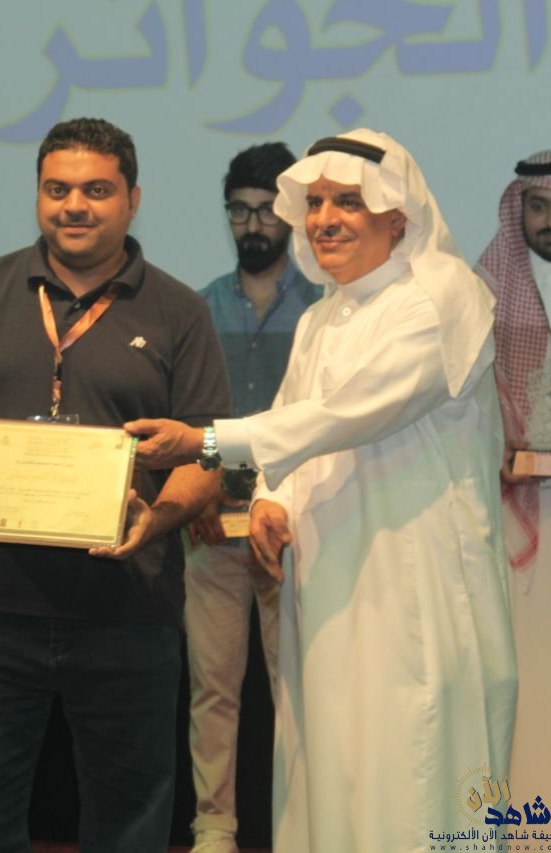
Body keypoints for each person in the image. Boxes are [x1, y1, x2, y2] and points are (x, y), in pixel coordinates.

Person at [127, 129, 517, 852]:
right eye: (314, 203)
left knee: (412, 770)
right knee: (327, 773)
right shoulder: (321, 317)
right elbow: (295, 433)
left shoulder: (439, 297)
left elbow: (341, 415)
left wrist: (204, 441)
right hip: (326, 592)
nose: (324, 220)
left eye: (347, 202)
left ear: (397, 215)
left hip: (414, 592)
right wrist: (271, 500)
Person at [0, 117, 229, 852]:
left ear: (133, 199)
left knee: (129, 826)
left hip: (128, 610)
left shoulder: (180, 311)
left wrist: (159, 517)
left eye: (96, 190)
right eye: (57, 189)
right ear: (39, 195)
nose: (74, 205)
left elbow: (206, 452)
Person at [185, 142, 321, 853]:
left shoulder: (325, 310)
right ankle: (215, 825)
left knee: (295, 683)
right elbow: (191, 415)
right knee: (212, 686)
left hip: (293, 526)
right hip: (212, 522)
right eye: (239, 211)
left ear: (290, 215)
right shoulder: (198, 306)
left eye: (266, 210)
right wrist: (202, 493)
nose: (253, 225)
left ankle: (302, 819)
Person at [476, 149, 551, 816]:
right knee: (531, 677)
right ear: (520, 211)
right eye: (539, 206)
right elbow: (469, 399)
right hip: (517, 523)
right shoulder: (484, 290)